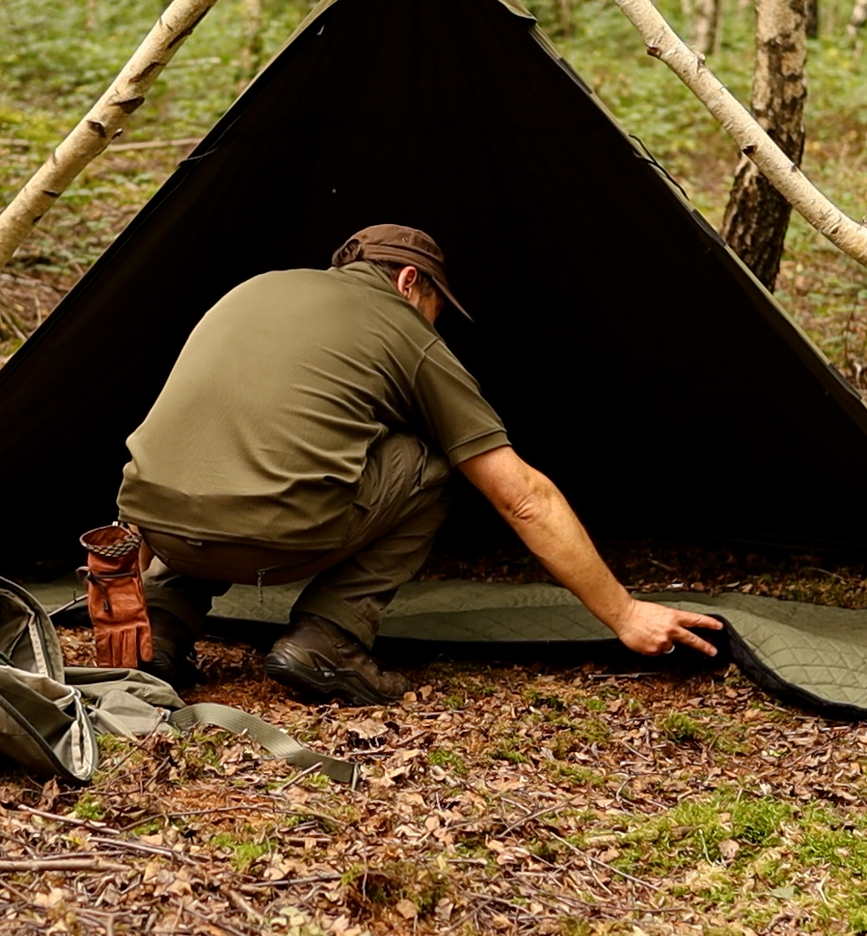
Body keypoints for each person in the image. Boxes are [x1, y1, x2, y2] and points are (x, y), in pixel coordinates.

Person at [115, 224, 721, 705]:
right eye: (435, 305)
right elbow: (522, 495)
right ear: (410, 281)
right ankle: (330, 639)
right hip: (274, 536)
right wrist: (625, 613)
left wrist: (123, 594)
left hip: (155, 524)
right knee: (437, 456)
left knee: (224, 456)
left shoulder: (257, 288)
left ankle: (160, 628)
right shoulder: (403, 327)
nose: (433, 321)